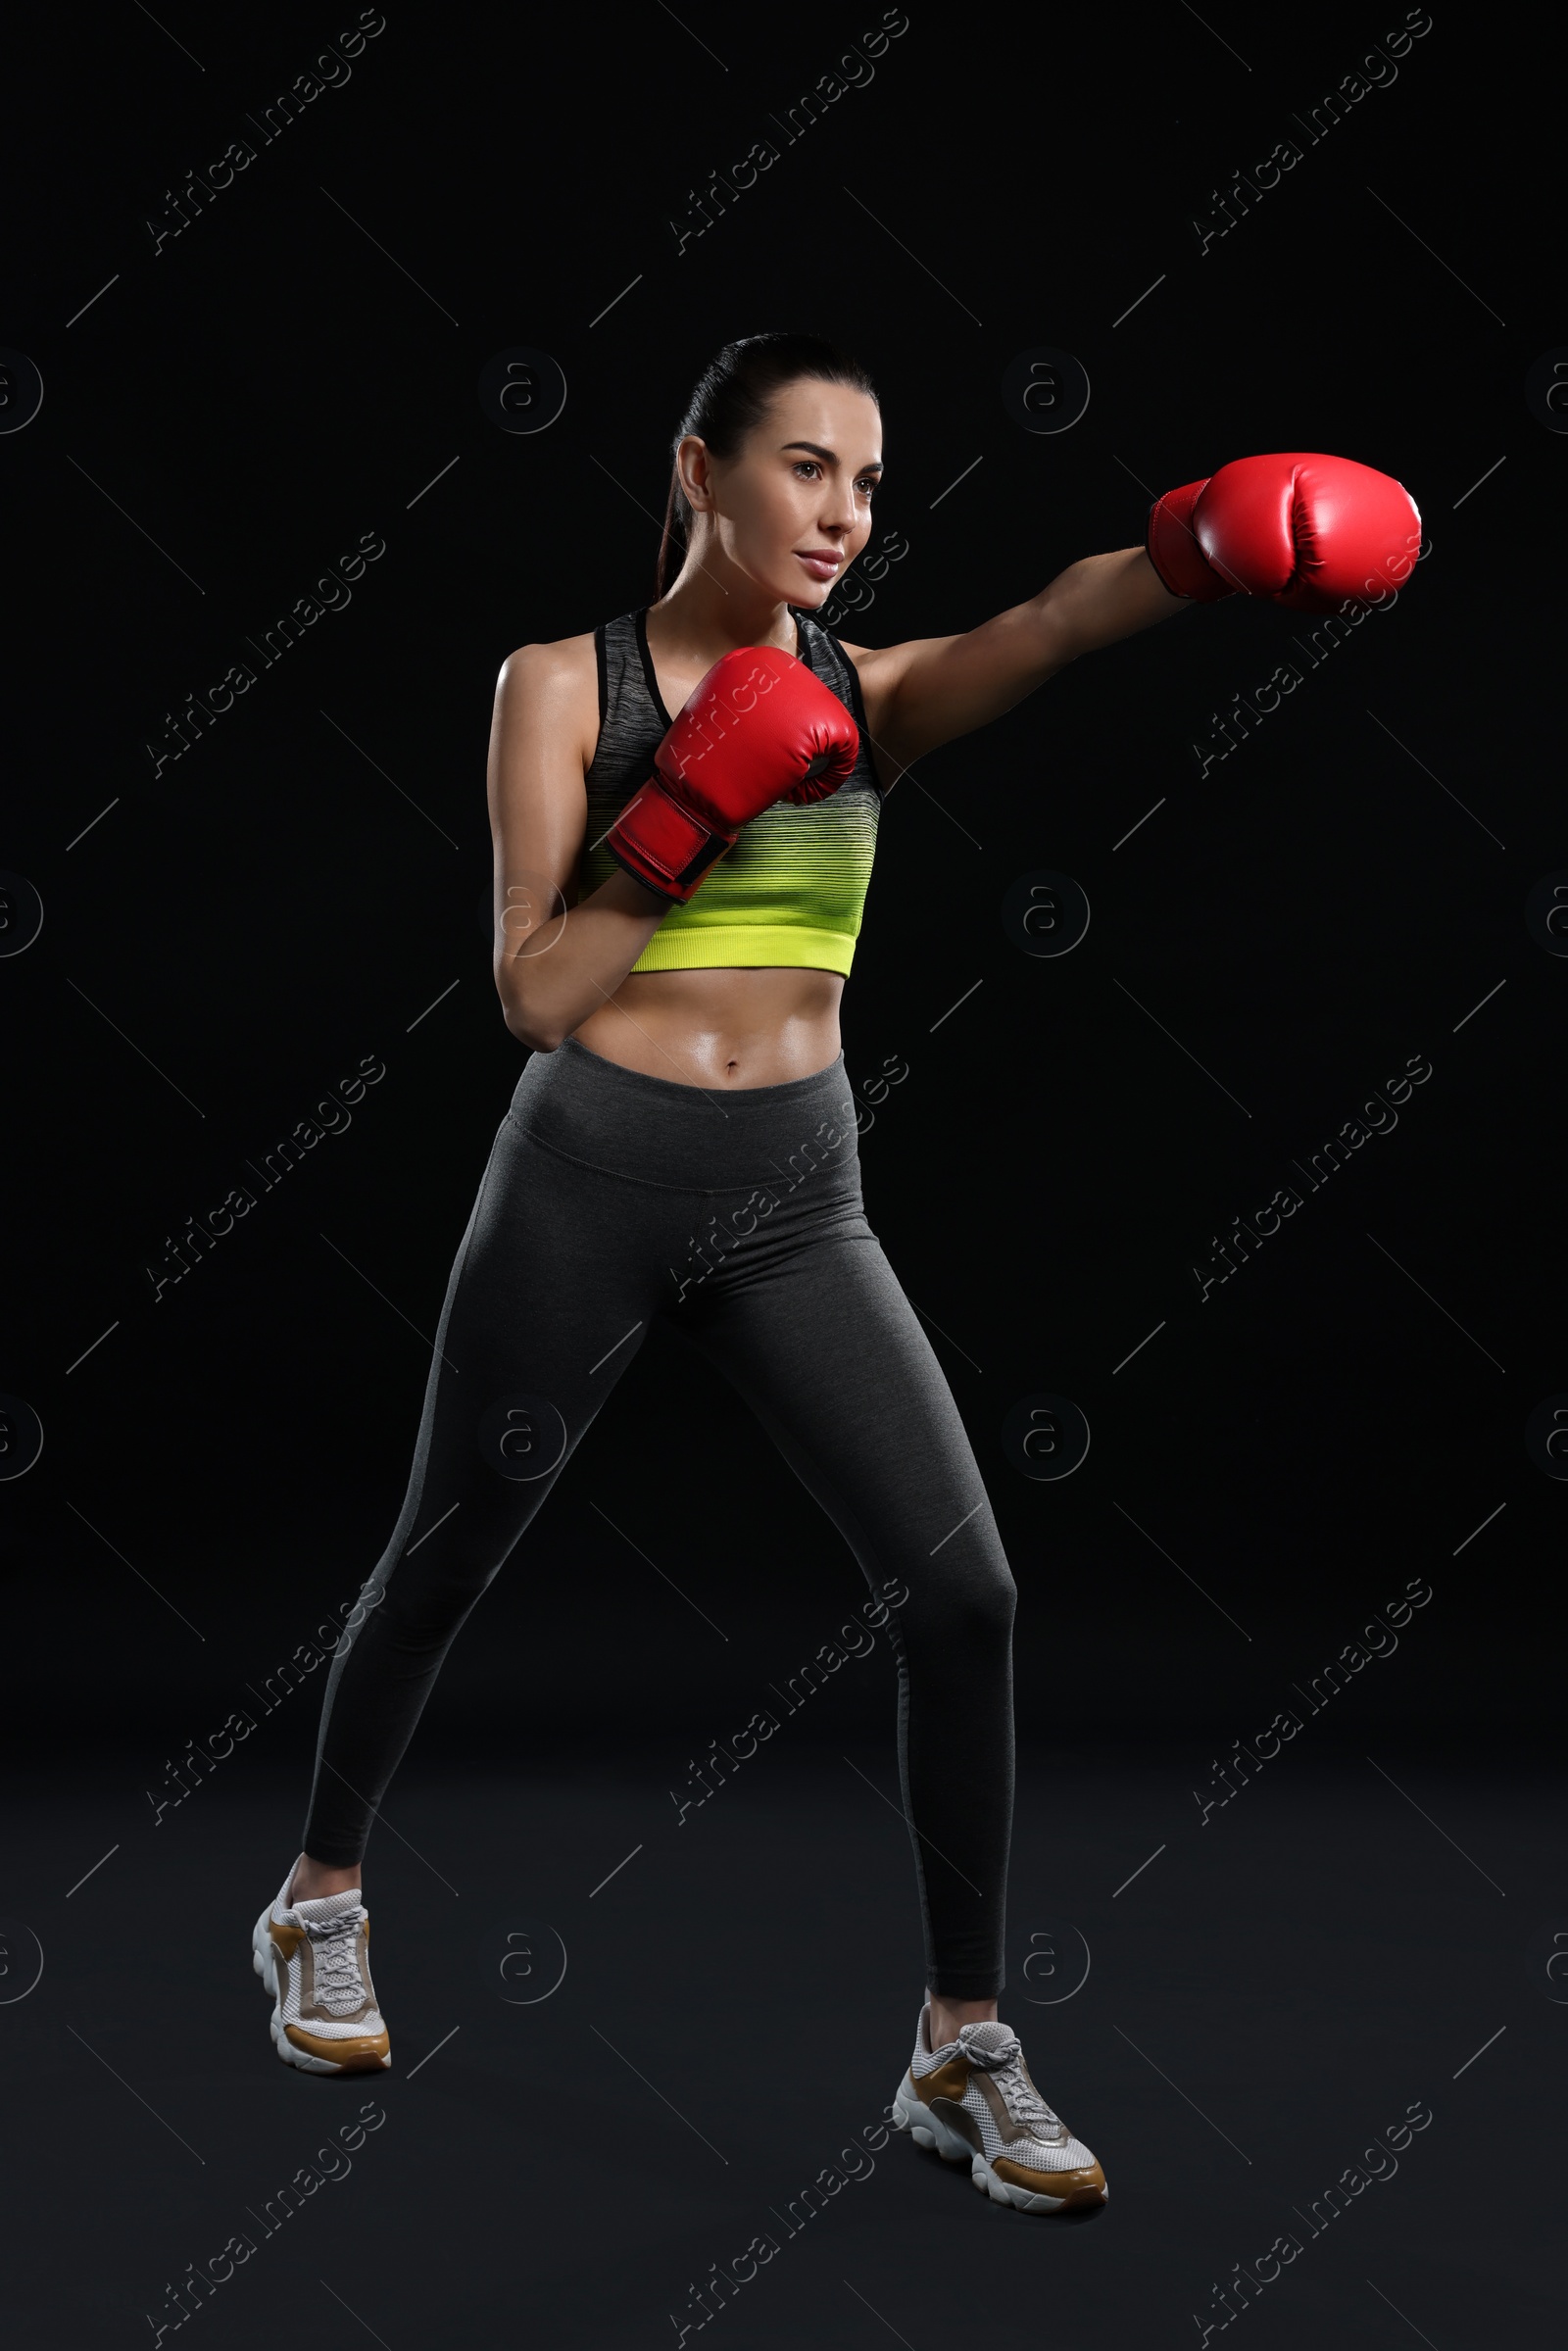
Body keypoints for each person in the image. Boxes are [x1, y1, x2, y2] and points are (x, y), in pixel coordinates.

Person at [251, 331, 1419, 2215]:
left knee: (967, 1593)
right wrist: (686, 809)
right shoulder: (559, 684)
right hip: (593, 1175)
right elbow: (534, 994)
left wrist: (1207, 546)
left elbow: (1052, 620)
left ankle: (960, 2046)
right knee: (447, 1553)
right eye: (807, 470)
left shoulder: (864, 696)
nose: (845, 518)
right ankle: (318, 1900)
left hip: (800, 1192)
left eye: (869, 485)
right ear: (700, 471)